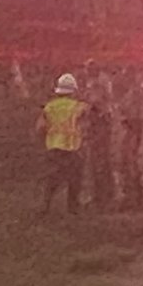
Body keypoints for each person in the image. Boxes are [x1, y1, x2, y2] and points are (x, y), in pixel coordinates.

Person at [36, 72, 88, 215]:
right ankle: (73, 208)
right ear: (73, 90)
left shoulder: (49, 107)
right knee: (75, 179)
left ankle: (45, 206)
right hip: (72, 147)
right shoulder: (79, 107)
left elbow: (40, 127)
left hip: (53, 147)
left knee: (53, 178)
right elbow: (85, 125)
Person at [82, 60, 116, 211]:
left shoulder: (99, 83)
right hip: (97, 122)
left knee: (100, 160)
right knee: (97, 160)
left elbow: (97, 102)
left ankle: (103, 196)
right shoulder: (96, 82)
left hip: (100, 122)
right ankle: (102, 194)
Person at [118, 68, 143, 209]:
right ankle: (133, 195)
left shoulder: (139, 91)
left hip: (134, 125)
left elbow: (133, 108)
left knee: (130, 161)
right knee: (127, 161)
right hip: (131, 125)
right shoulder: (135, 90)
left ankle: (134, 196)